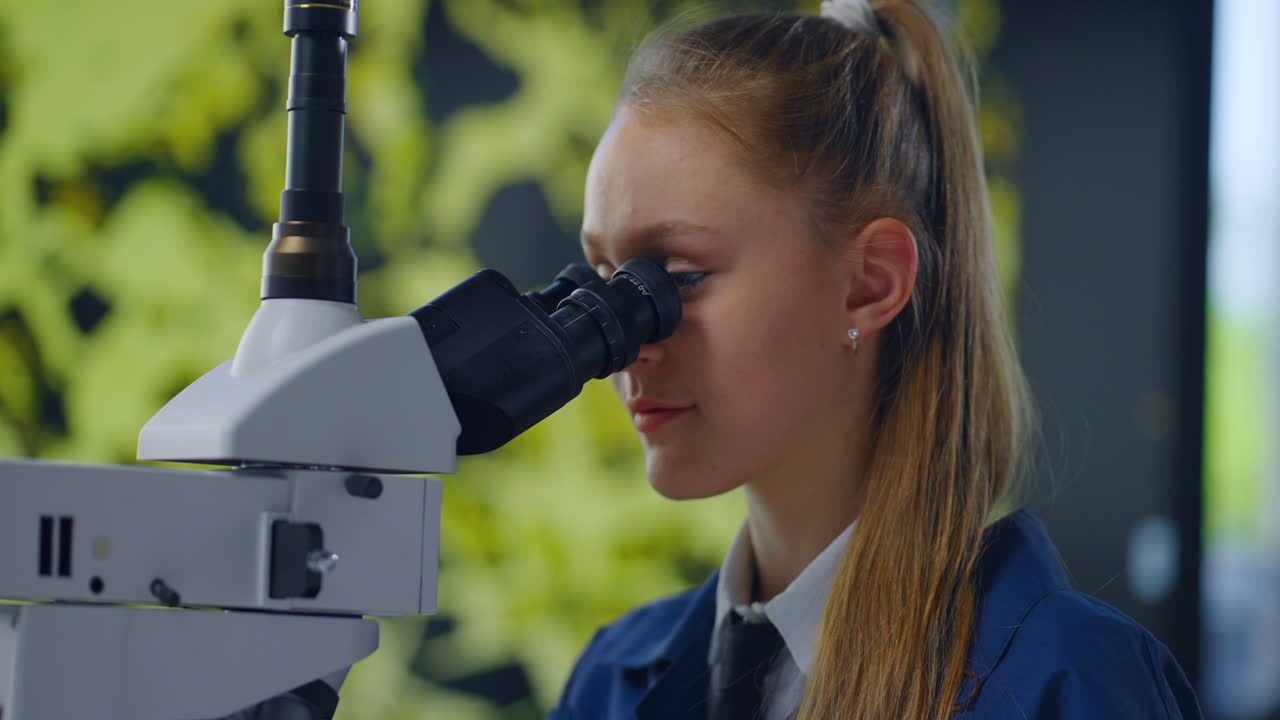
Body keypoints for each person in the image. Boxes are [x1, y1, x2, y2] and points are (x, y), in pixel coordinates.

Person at [549, 0, 1204, 718]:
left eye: (675, 278)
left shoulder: (1072, 686)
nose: (625, 340)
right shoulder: (610, 683)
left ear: (869, 283)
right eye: (606, 280)